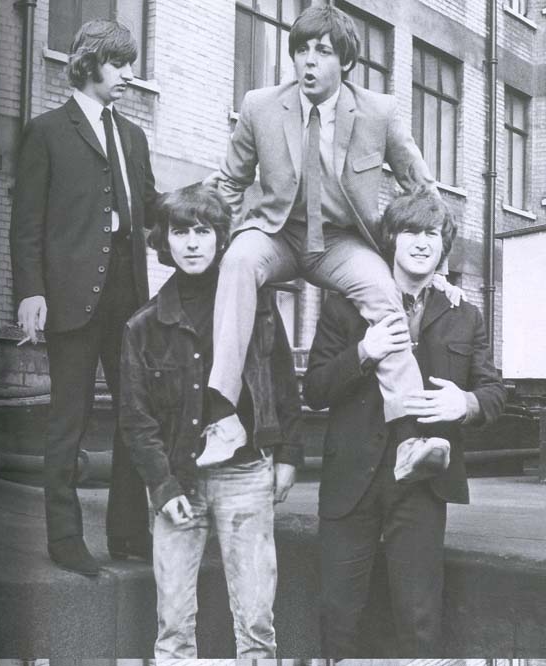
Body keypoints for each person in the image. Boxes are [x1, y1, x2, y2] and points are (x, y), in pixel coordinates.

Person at [203, 4, 460, 467]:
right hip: (278, 233)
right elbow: (229, 183)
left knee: (383, 289)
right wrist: (214, 246)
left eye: (322, 51)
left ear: (345, 60)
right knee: (238, 261)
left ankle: (409, 438)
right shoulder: (260, 105)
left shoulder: (378, 111)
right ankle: (223, 416)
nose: (309, 61)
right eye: (301, 50)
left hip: (342, 241)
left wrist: (437, 268)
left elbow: (422, 188)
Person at [303, 188, 507, 657]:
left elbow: (495, 392)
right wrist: (363, 352)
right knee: (338, 615)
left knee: (419, 619)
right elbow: (313, 390)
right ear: (391, 239)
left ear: (443, 244)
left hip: (422, 484)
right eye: (411, 231)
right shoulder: (343, 305)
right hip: (351, 479)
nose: (421, 242)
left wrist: (465, 403)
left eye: (432, 233)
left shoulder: (464, 314)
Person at [119, 183, 302, 659]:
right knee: (173, 626)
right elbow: (135, 419)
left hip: (246, 474)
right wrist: (162, 487)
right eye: (181, 232)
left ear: (221, 237)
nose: (193, 243)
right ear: (165, 241)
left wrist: (288, 454)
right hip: (179, 481)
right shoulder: (144, 326)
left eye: (203, 231)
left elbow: (283, 382)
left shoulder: (258, 303)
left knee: (257, 624)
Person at [10, 20, 161, 575]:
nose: (129, 74)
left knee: (134, 416)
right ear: (89, 62)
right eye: (119, 64)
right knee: (67, 419)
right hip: (71, 294)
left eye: (131, 64)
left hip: (129, 295)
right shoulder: (47, 131)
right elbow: (26, 223)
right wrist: (30, 291)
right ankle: (65, 538)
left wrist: (205, 202)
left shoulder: (134, 136)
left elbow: (151, 207)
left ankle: (128, 533)